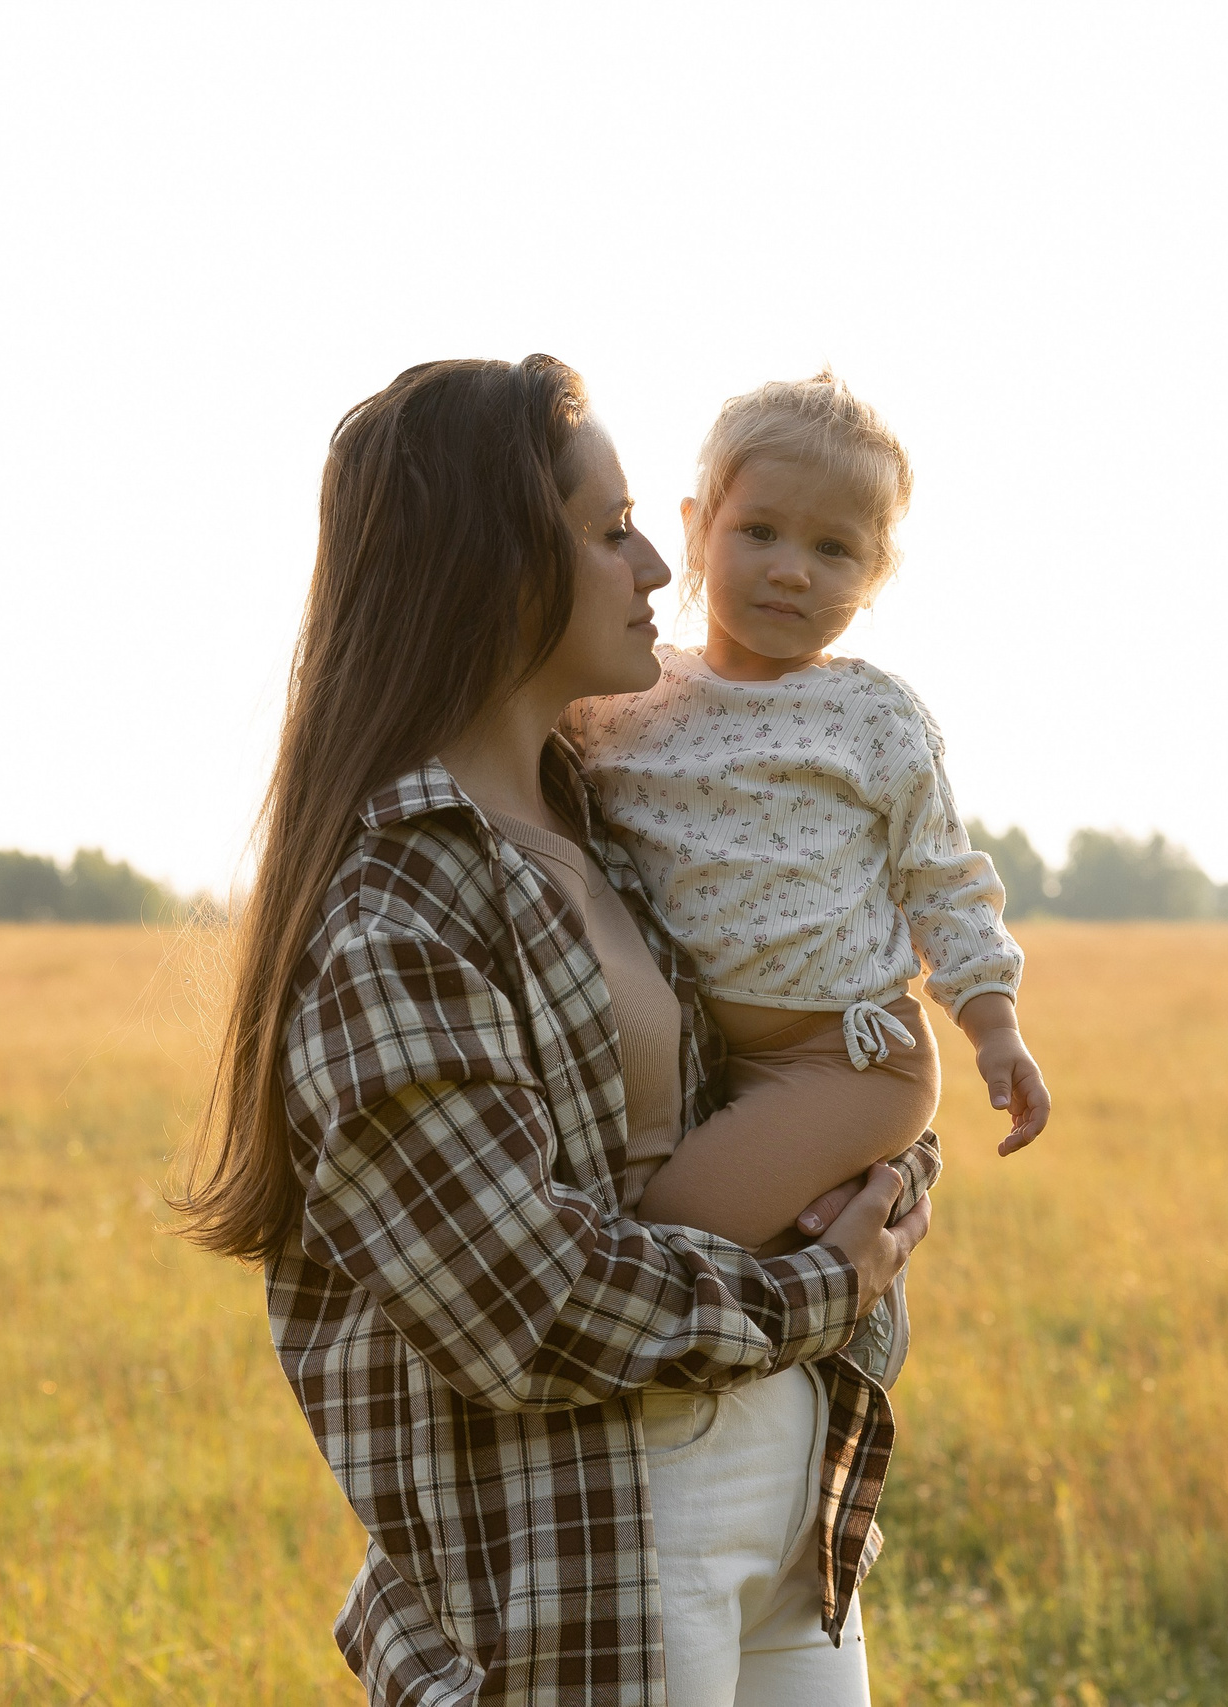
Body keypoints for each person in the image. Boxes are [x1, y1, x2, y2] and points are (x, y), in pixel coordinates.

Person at [172, 355, 933, 1707]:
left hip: (787, 1495)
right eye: (610, 527)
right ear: (494, 564)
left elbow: (790, 1070)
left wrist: (888, 1163)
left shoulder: (609, 826)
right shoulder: (396, 903)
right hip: (608, 1530)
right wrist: (822, 1282)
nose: (659, 560)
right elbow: (521, 1303)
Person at [567, 372, 1051, 1275]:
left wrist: (994, 1028)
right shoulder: (627, 700)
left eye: (833, 548)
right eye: (759, 531)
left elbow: (941, 878)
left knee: (672, 1230)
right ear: (695, 530)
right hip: (708, 1059)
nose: (792, 567)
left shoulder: (869, 716)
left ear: (873, 577)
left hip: (844, 1062)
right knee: (719, 1219)